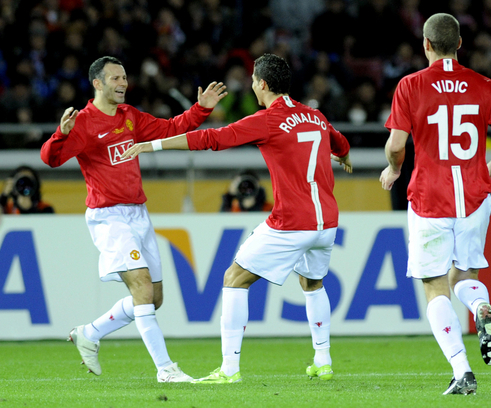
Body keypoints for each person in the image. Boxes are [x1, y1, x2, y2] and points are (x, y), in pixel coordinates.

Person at [122, 53, 353, 383]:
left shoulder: (268, 119)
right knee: (312, 283)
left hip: (291, 222)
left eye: (253, 83)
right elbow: (340, 141)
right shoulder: (315, 117)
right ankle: (324, 361)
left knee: (234, 278)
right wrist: (343, 157)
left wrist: (153, 146)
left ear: (261, 84)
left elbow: (212, 139)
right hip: (327, 222)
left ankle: (229, 369)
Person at [40, 56, 227, 382]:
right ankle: (166, 370)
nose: (123, 83)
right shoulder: (84, 123)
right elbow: (51, 159)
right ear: (97, 83)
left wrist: (201, 109)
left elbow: (170, 129)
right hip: (109, 217)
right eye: (115, 78)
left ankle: (90, 333)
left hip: (138, 214)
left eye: (124, 77)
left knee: (154, 298)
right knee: (141, 286)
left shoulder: (130, 117)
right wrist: (60, 133)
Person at [380, 13, 491, 395]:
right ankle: (480, 308)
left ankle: (462, 372)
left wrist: (392, 169)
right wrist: (490, 170)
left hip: (430, 199)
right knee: (463, 277)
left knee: (434, 286)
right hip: (474, 198)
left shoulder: (410, 85)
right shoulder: (484, 84)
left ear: (425, 45)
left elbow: (395, 145)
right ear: (459, 45)